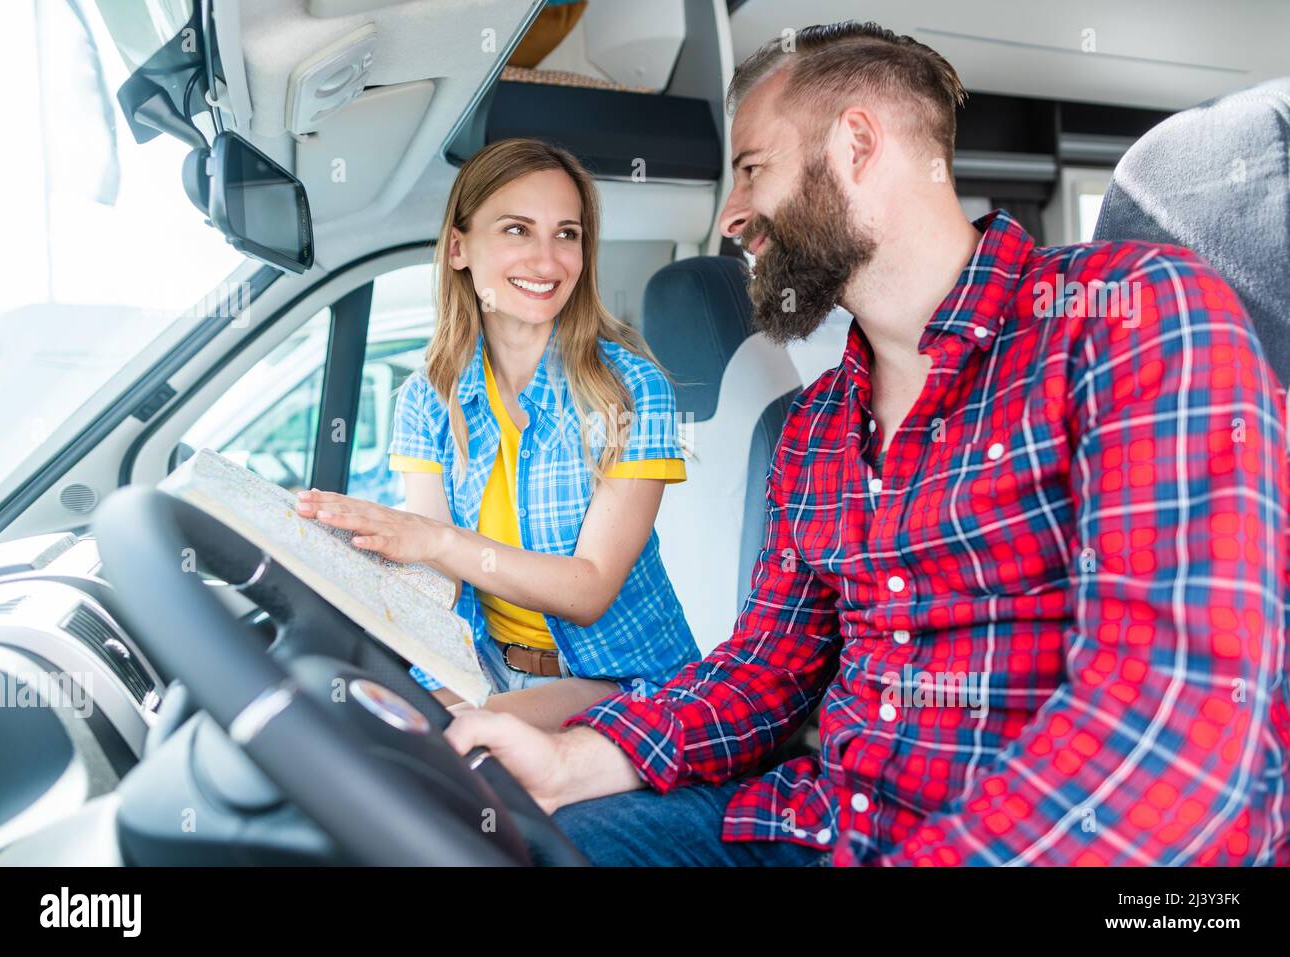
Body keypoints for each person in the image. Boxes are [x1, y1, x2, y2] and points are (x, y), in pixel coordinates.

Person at [443, 20, 1290, 866]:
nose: (732, 215)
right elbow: (764, 672)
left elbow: (1171, 730)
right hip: (815, 824)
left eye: (750, 171)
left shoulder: (1129, 322)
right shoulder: (816, 426)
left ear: (855, 143)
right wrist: (576, 758)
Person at [297, 138, 699, 731]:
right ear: (459, 248)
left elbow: (587, 593)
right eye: (517, 230)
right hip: (480, 668)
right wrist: (348, 555)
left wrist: (431, 539)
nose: (547, 260)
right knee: (355, 733)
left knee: (446, 749)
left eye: (567, 234)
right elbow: (443, 580)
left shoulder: (631, 390)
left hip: (622, 681)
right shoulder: (427, 399)